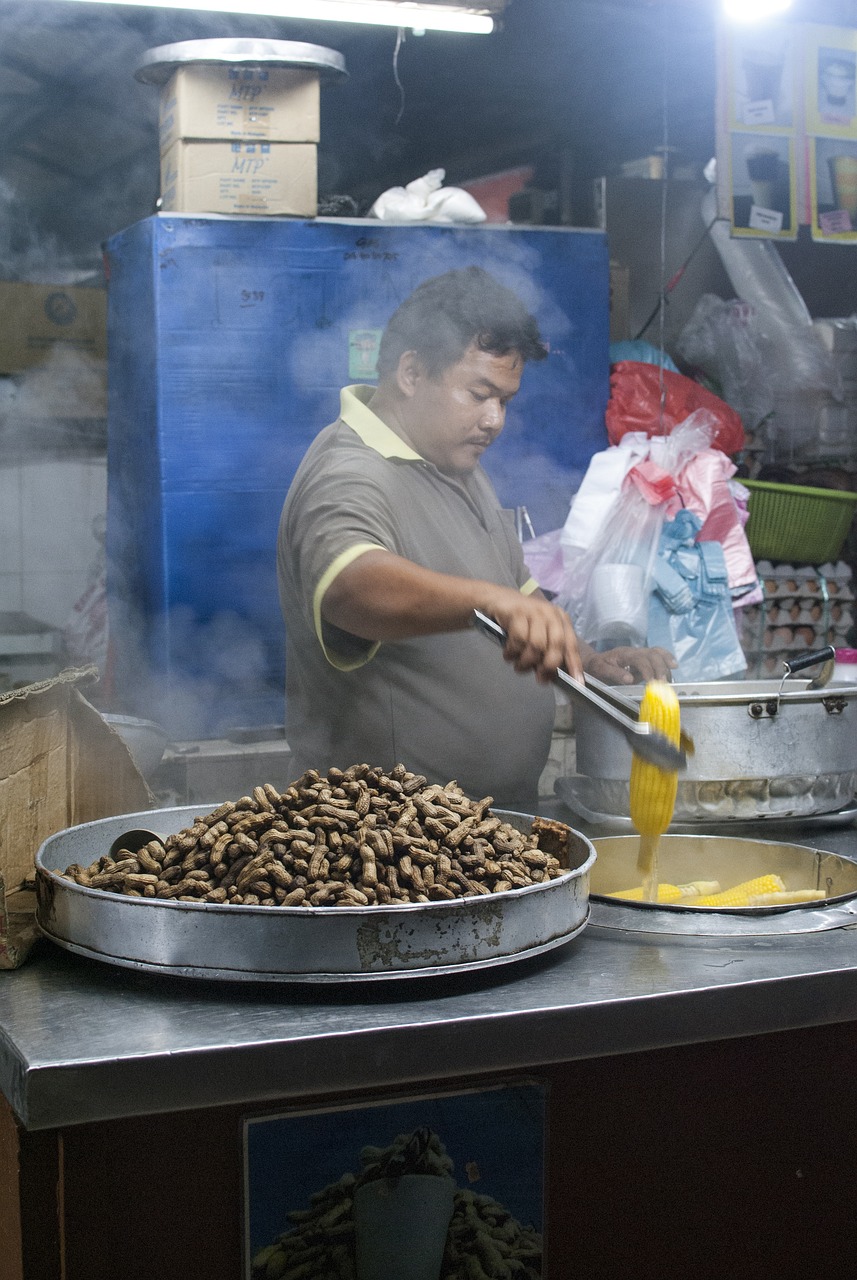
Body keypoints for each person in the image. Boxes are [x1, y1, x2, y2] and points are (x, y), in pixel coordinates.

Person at [278, 267, 674, 812]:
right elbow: (351, 587)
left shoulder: (457, 464)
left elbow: (520, 598)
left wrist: (587, 661)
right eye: (479, 394)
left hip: (483, 833)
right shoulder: (350, 471)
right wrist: (488, 601)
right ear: (412, 373)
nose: (494, 420)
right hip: (391, 845)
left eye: (505, 400)